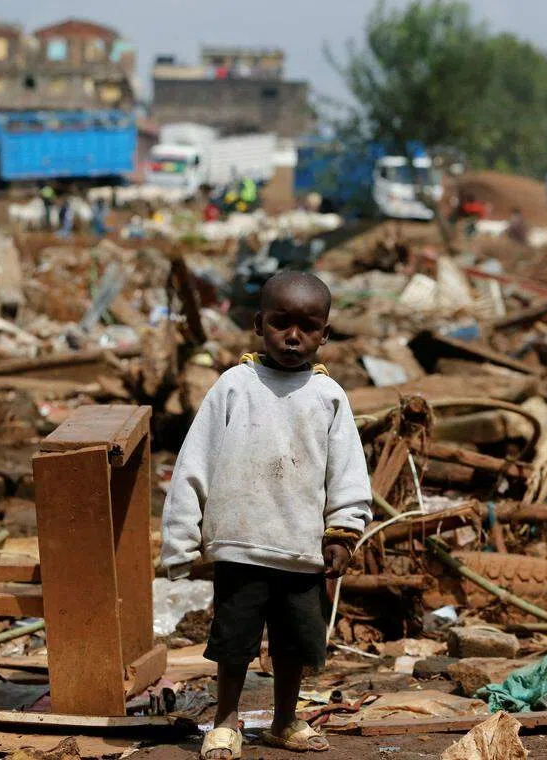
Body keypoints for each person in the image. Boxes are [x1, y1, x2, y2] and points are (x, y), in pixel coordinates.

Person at [161, 271, 372, 759]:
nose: (292, 336)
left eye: (307, 327)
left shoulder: (329, 397)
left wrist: (342, 533)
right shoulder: (235, 386)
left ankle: (284, 721)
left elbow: (347, 475)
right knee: (233, 644)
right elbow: (195, 462)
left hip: (301, 549)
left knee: (293, 647)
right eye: (280, 323)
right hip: (241, 544)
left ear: (325, 334)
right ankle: (225, 722)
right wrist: (181, 540)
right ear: (258, 324)